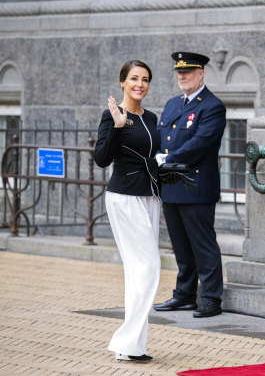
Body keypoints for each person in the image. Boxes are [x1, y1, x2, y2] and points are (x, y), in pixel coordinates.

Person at [94, 60, 160, 362]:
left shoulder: (151, 117)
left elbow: (149, 155)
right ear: (123, 82)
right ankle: (125, 340)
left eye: (145, 79)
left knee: (139, 273)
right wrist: (119, 127)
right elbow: (102, 159)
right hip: (124, 198)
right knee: (148, 269)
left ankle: (133, 347)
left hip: (149, 198)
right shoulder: (112, 116)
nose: (140, 84)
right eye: (134, 78)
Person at [153, 51, 227, 318]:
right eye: (179, 72)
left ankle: (210, 298)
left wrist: (168, 158)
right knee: (181, 246)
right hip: (172, 185)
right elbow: (162, 137)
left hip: (196, 186)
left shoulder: (212, 106)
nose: (182, 76)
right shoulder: (173, 104)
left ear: (201, 74)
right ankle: (184, 295)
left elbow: (201, 143)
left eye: (188, 72)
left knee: (203, 245)